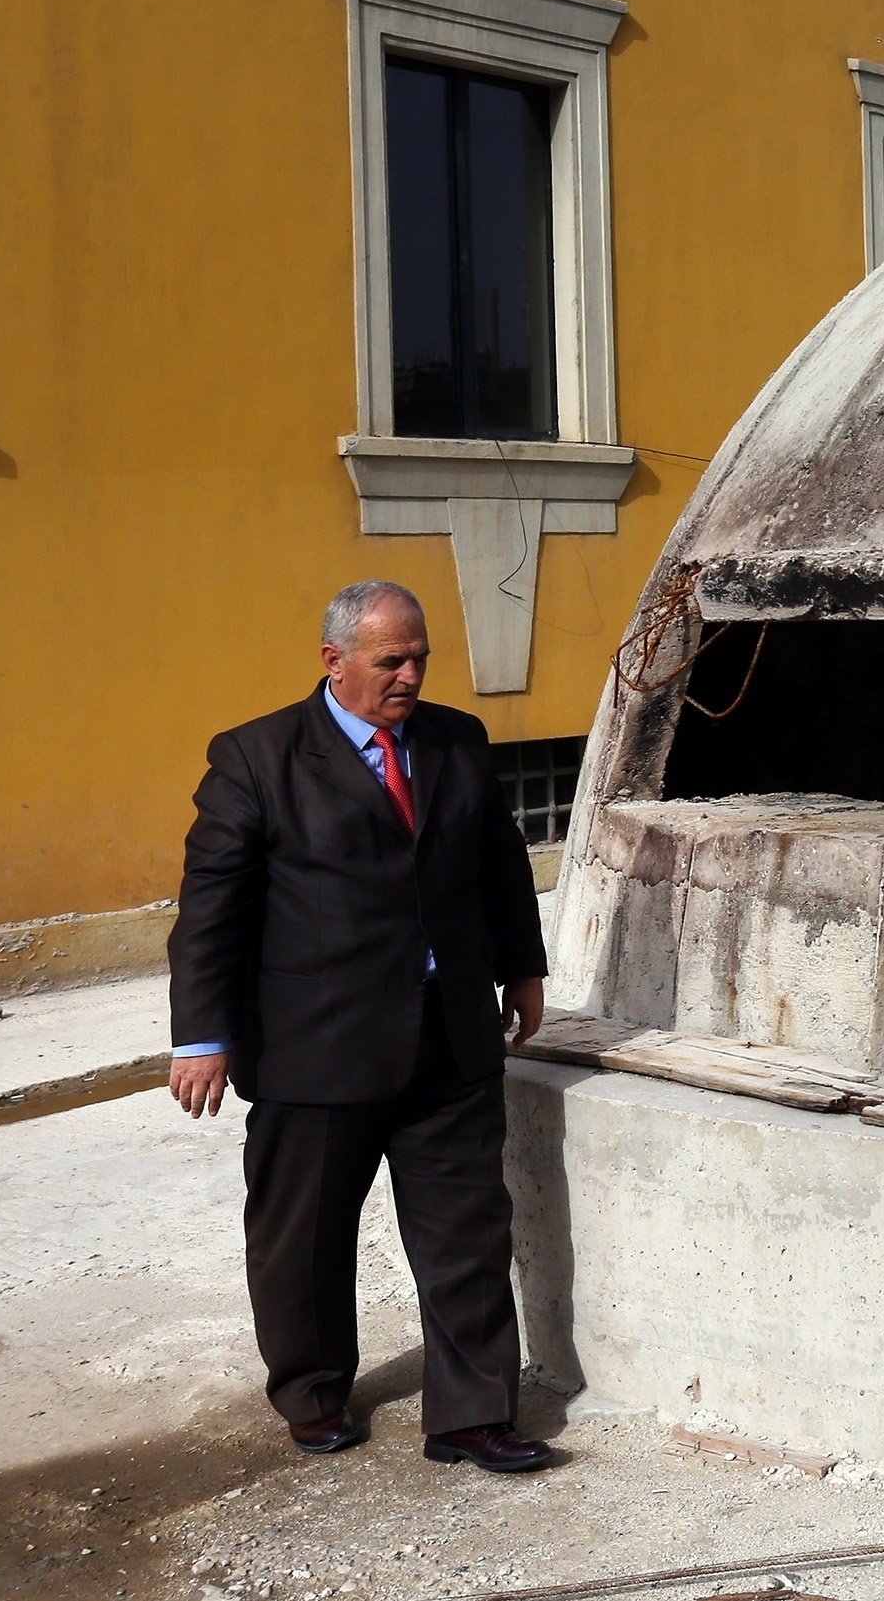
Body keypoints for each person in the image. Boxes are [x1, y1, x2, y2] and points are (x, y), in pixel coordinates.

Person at [166, 580, 553, 1471]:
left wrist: (522, 967)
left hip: (447, 1034)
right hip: (318, 1044)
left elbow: (499, 862)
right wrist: (202, 1035)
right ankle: (311, 1392)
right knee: (303, 1239)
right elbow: (212, 909)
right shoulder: (257, 757)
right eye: (392, 660)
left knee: (466, 1231)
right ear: (333, 660)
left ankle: (470, 1415)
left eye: (419, 657)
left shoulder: (456, 740)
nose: (410, 674)